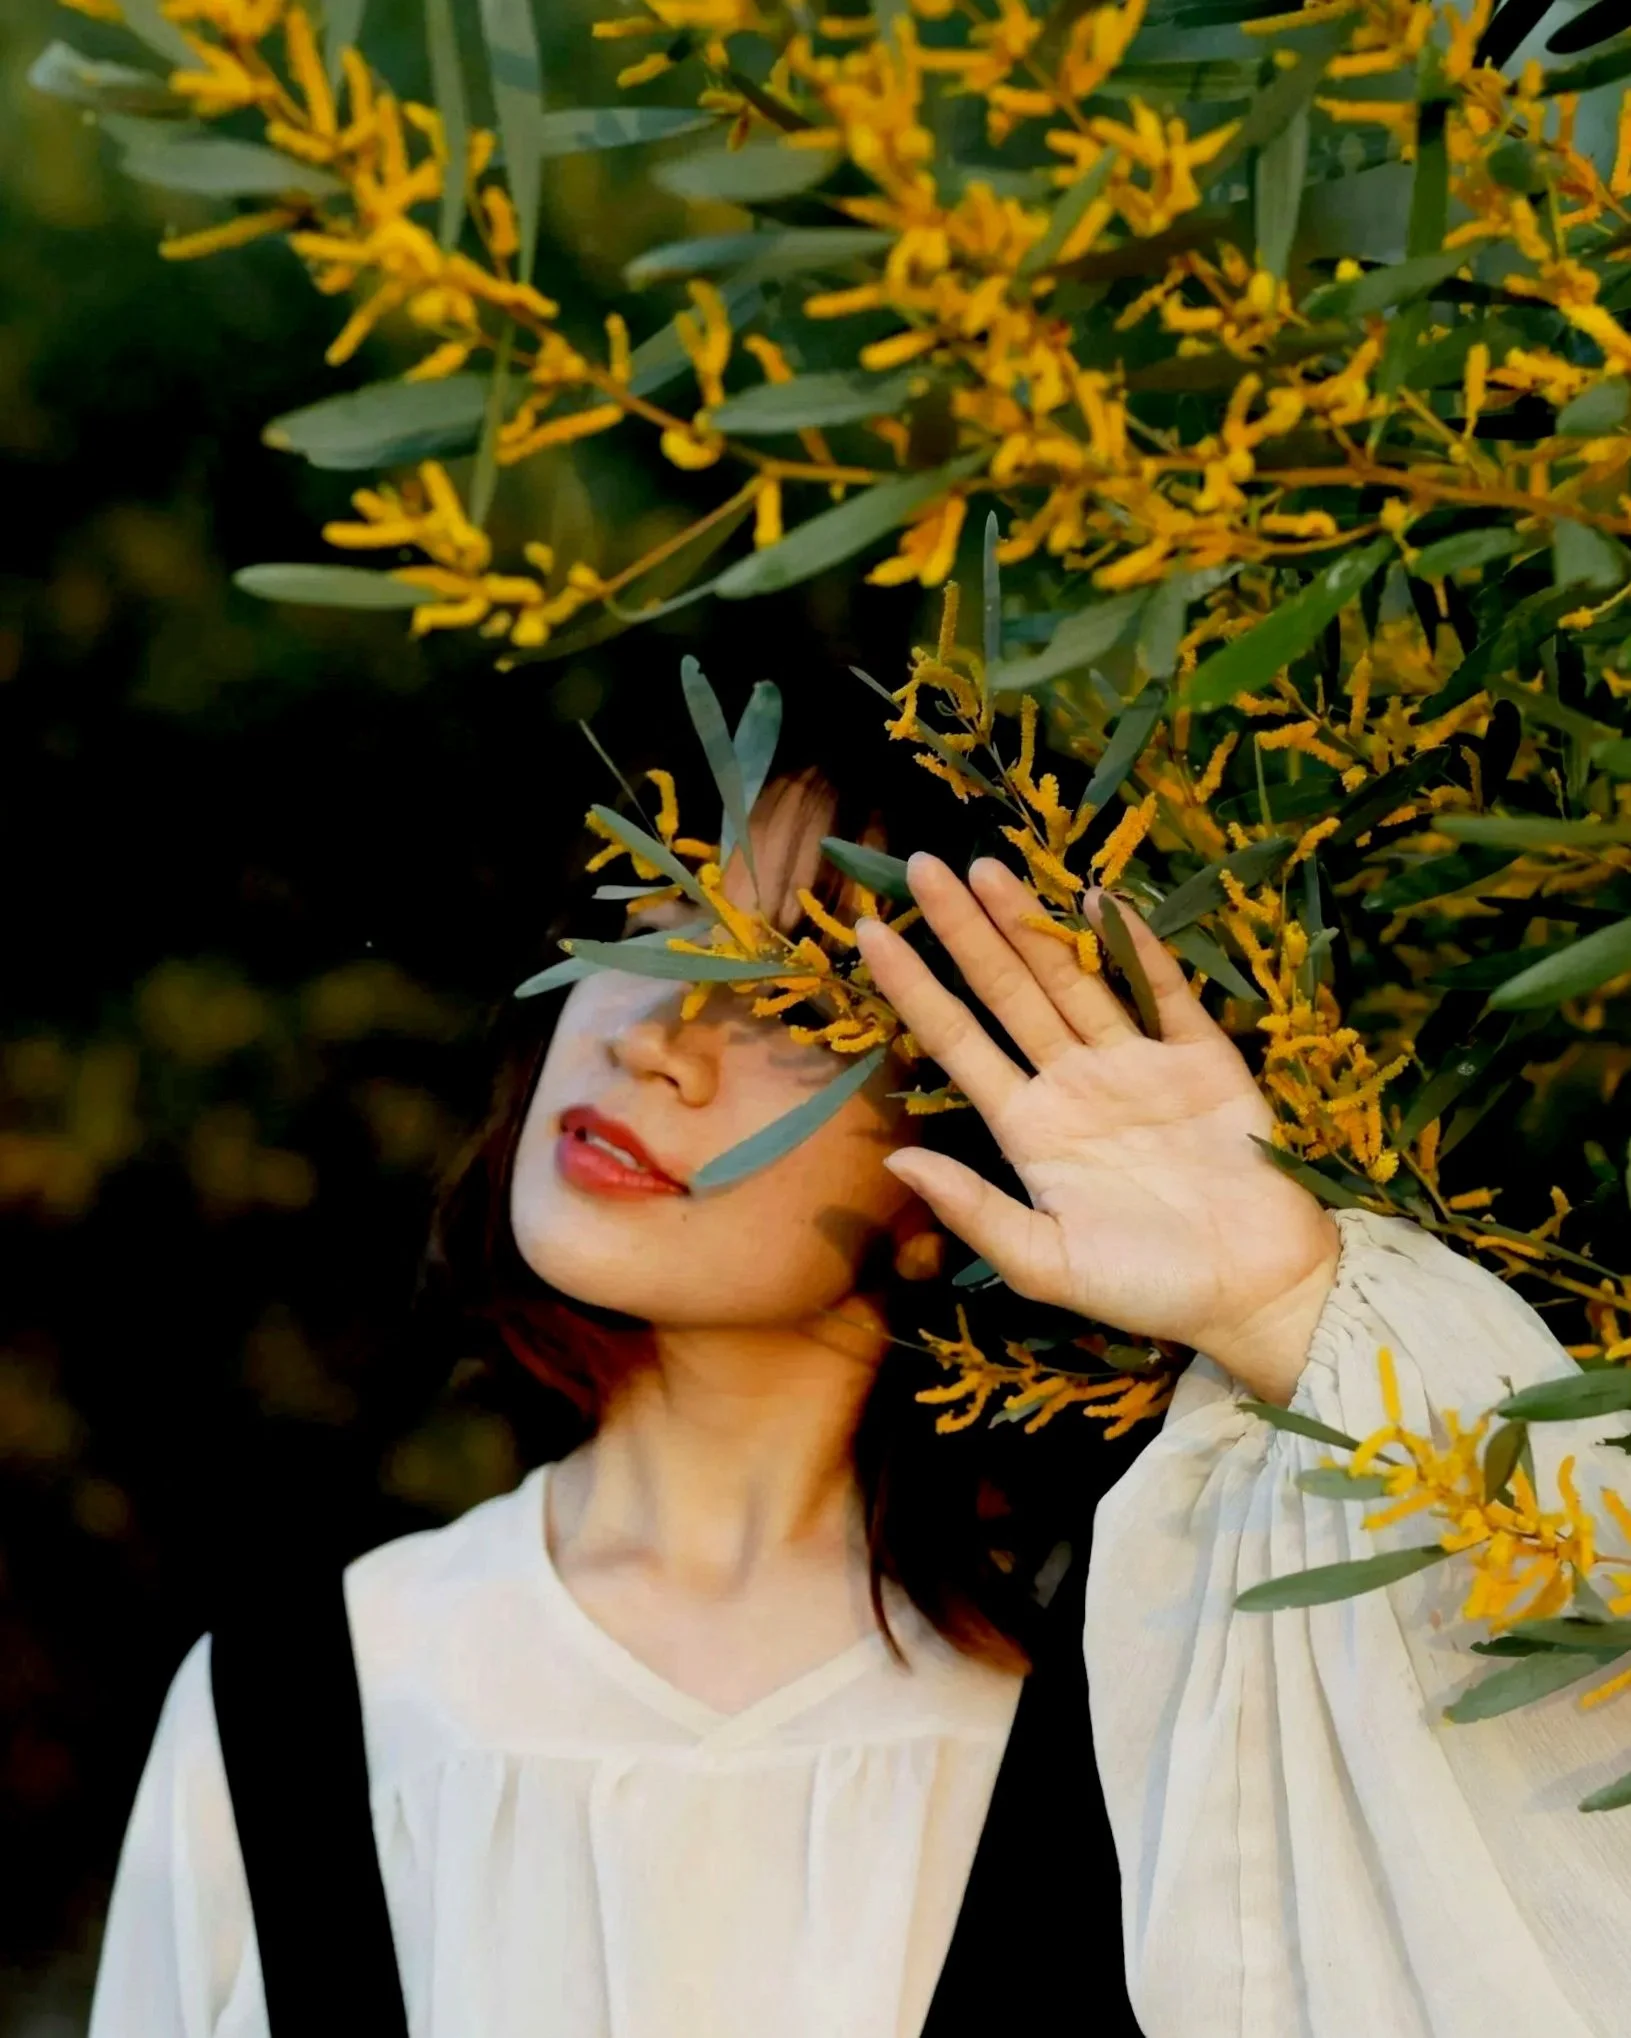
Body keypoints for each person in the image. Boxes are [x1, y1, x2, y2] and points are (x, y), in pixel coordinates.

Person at [87, 742, 1631, 2038]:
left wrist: (1281, 1298)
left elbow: (1554, 1841)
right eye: (650, 917)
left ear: (962, 1147)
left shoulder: (1157, 1707)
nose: (658, 1041)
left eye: (790, 1003)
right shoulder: (289, 1703)